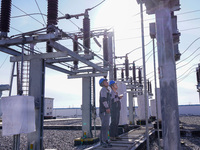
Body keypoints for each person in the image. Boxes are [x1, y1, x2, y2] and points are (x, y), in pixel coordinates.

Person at [99, 78, 112, 148]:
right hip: (104, 111)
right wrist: (107, 108)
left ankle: (105, 140)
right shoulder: (103, 90)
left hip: (106, 111)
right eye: (105, 81)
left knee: (106, 126)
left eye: (106, 81)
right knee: (104, 127)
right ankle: (103, 141)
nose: (107, 82)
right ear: (102, 83)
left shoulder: (107, 90)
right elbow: (103, 100)